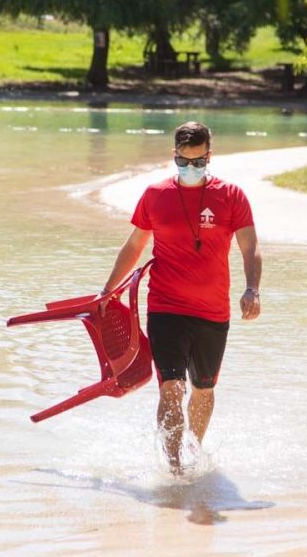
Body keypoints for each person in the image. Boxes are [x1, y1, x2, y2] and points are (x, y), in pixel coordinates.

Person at [99, 121, 262, 473]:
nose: (191, 168)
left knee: (203, 390)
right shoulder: (155, 195)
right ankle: (174, 470)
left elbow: (249, 246)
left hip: (212, 312)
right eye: (183, 162)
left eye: (198, 162)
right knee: (171, 388)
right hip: (165, 308)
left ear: (209, 157)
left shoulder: (231, 196)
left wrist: (252, 288)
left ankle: (193, 451)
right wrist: (108, 289)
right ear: (173, 155)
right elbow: (134, 245)